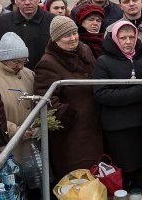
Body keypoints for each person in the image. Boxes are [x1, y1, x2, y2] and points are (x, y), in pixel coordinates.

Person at [34, 16, 103, 178]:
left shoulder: (84, 49)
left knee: (95, 176)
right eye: (67, 35)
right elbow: (46, 101)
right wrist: (71, 115)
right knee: (77, 180)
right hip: (72, 136)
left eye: (74, 33)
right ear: (55, 39)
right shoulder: (48, 63)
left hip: (95, 127)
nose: (73, 38)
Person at [93, 20, 142, 191]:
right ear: (115, 39)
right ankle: (121, 198)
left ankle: (139, 197)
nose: (128, 42)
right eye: (123, 37)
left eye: (131, 37)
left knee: (141, 166)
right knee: (124, 169)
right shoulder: (104, 62)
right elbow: (101, 93)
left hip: (141, 123)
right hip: (118, 127)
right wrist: (139, 92)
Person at [0, 32, 34, 167]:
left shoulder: (29, 74)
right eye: (15, 61)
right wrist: (16, 130)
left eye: (24, 61)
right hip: (10, 144)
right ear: (3, 58)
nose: (20, 66)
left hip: (32, 144)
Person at [0, 0, 55, 70]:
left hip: (46, 77)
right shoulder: (2, 22)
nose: (27, 2)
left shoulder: (54, 21)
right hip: (14, 78)